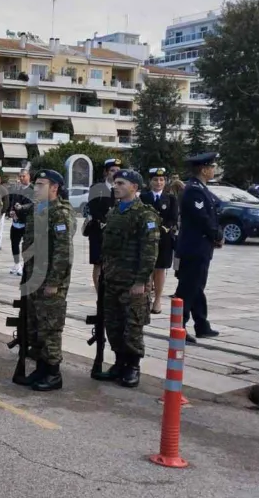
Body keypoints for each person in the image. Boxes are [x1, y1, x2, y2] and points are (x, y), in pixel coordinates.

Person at [96, 169, 160, 387]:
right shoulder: (114, 213)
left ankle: (133, 366)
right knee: (113, 325)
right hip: (112, 280)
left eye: (121, 183)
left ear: (134, 187)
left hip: (133, 282)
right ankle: (119, 363)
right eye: (115, 183)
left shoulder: (145, 215)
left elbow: (149, 252)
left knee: (132, 326)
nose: (116, 186)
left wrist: (141, 281)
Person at [15, 169, 74, 391]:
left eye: (41, 185)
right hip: (33, 277)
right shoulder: (39, 210)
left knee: (50, 327)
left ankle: (52, 373)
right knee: (35, 326)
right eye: (36, 184)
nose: (36, 188)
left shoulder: (60, 213)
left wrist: (54, 282)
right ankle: (40, 368)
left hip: (50, 281)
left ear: (54, 188)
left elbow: (63, 252)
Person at [174, 152, 223, 343]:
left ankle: (201, 324)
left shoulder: (200, 188)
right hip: (194, 248)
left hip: (201, 247)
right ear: (203, 169)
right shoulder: (194, 190)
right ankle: (179, 326)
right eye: (212, 167)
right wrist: (217, 235)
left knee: (197, 286)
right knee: (187, 288)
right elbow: (202, 218)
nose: (214, 170)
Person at [140, 167, 178, 314]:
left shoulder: (171, 199)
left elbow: (173, 219)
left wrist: (161, 229)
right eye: (155, 179)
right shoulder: (143, 198)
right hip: (147, 239)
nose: (159, 182)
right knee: (148, 269)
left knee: (160, 270)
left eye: (162, 180)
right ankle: (146, 298)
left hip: (164, 239)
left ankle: (157, 300)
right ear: (150, 181)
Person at [84, 159, 120, 296]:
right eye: (112, 171)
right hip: (98, 231)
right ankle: (99, 293)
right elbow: (93, 208)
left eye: (118, 171)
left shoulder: (121, 188)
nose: (115, 173)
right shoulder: (97, 188)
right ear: (106, 172)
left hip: (115, 234)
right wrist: (104, 221)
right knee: (98, 264)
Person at [6, 169, 34, 276]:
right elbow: (12, 202)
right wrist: (11, 212)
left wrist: (20, 210)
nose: (22, 178)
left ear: (29, 177)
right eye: (20, 176)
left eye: (24, 176)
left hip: (26, 222)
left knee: (26, 245)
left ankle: (25, 265)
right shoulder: (17, 188)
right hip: (15, 222)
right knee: (14, 243)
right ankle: (16, 264)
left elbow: (31, 205)